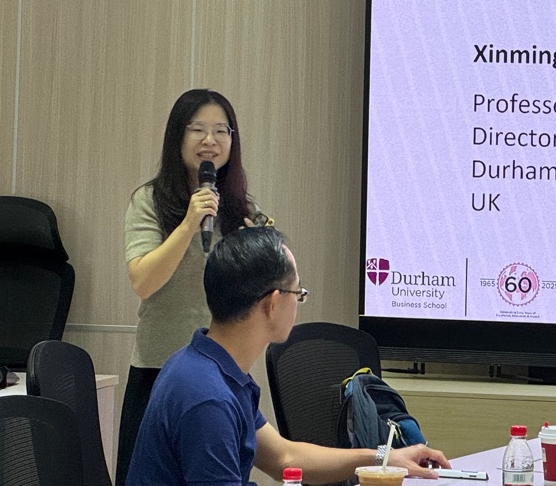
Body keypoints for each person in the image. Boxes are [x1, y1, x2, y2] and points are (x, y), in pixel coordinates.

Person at [127, 226, 450, 486]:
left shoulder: (205, 365)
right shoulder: (208, 398)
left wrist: (383, 457)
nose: (298, 302)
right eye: (298, 293)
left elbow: (283, 457)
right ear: (272, 303)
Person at [119, 89, 269, 486]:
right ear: (177, 137)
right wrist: (189, 223)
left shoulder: (242, 209)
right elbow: (142, 281)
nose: (210, 140)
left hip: (222, 374)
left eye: (221, 130)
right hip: (158, 370)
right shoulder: (150, 201)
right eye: (198, 129)